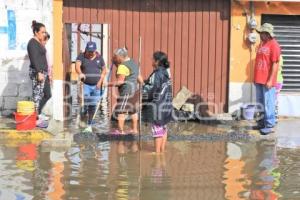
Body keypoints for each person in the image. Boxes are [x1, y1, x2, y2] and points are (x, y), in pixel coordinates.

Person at [106, 47, 143, 135]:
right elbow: (140, 79)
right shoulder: (133, 64)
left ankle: (120, 131)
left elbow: (120, 82)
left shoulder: (122, 66)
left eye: (115, 57)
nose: (114, 59)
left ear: (120, 57)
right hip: (135, 91)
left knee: (121, 111)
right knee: (132, 111)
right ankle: (134, 130)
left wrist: (107, 84)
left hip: (126, 92)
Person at [143, 51, 173, 153]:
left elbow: (152, 89)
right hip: (166, 104)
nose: (151, 60)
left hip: (158, 106)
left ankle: (156, 153)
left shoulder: (157, 74)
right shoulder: (167, 72)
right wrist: (146, 82)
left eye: (152, 59)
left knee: (157, 130)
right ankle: (162, 151)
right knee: (163, 128)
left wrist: (143, 93)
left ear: (157, 61)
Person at [254, 23, 281, 135]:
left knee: (268, 102)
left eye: (262, 33)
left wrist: (270, 80)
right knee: (260, 102)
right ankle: (261, 123)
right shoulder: (262, 44)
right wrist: (254, 78)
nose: (260, 34)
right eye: (260, 32)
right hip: (258, 79)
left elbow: (275, 64)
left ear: (267, 34)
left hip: (267, 81)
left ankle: (269, 125)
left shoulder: (274, 45)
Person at [75, 41, 107, 126]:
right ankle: (84, 115)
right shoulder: (81, 56)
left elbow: (104, 70)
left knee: (93, 105)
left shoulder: (99, 58)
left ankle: (90, 122)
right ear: (86, 49)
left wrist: (101, 81)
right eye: (89, 51)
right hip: (85, 84)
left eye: (92, 52)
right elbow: (77, 66)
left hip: (97, 85)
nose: (90, 53)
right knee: (85, 101)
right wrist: (80, 73)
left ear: (95, 50)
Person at [27, 20, 51, 127]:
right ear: (36, 32)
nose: (44, 34)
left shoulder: (38, 43)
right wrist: (38, 72)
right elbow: (34, 59)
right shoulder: (32, 43)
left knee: (47, 94)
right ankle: (34, 119)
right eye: (43, 32)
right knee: (37, 96)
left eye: (45, 32)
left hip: (44, 72)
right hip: (38, 72)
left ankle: (38, 114)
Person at [275, 55, 284, 120]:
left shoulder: (279, 57)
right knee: (274, 99)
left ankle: (275, 116)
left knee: (274, 99)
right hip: (276, 81)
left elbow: (278, 68)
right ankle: (274, 116)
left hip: (277, 81)